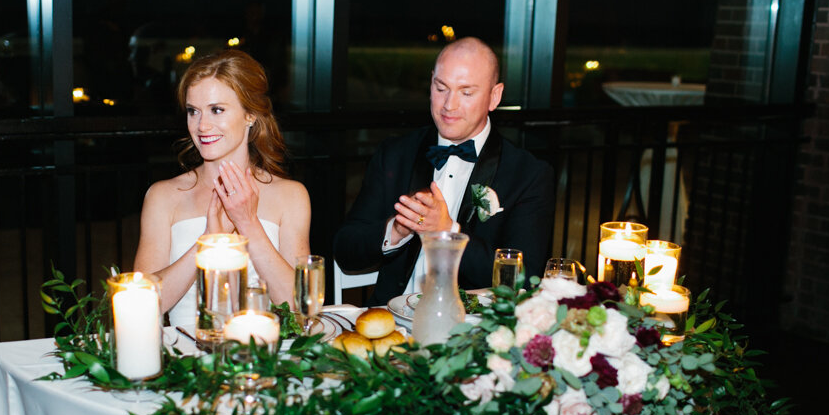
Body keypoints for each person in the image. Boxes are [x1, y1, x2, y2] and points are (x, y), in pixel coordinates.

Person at [334, 37, 554, 305]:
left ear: (494, 96)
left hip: (474, 330)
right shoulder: (395, 154)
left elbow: (523, 279)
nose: (449, 105)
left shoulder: (528, 174)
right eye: (441, 88)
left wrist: (447, 232)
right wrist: (396, 230)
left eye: (466, 92)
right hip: (392, 326)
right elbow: (345, 249)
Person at [133, 50, 310, 325]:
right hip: (187, 356)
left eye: (217, 110)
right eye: (193, 111)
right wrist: (207, 241)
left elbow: (300, 311)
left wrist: (248, 223)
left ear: (250, 114)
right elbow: (141, 306)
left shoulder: (290, 196)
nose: (202, 126)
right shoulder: (163, 196)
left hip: (268, 356)